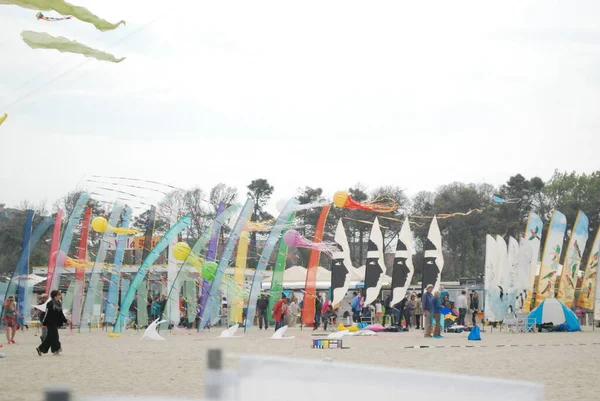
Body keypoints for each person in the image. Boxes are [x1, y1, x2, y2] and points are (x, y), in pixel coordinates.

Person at [36, 290, 68, 356]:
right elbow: (46, 314)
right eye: (59, 295)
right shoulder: (50, 303)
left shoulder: (59, 303)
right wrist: (43, 323)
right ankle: (56, 349)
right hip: (49, 322)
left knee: (50, 337)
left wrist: (65, 320)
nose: (60, 296)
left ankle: (40, 348)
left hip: (55, 322)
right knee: (55, 336)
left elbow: (60, 313)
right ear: (55, 296)